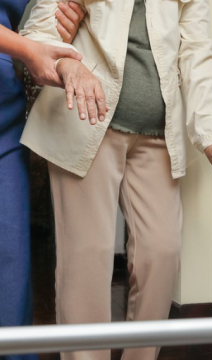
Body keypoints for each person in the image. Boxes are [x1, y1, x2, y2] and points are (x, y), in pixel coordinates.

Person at [20, 1, 212, 360]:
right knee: (86, 261)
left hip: (160, 135)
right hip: (84, 118)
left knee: (162, 254)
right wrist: (67, 65)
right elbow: (39, 30)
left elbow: (197, 50)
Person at [0, 2, 86, 360]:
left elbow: (37, 11)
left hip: (3, 122)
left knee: (12, 267)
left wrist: (68, 15)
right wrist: (25, 48)